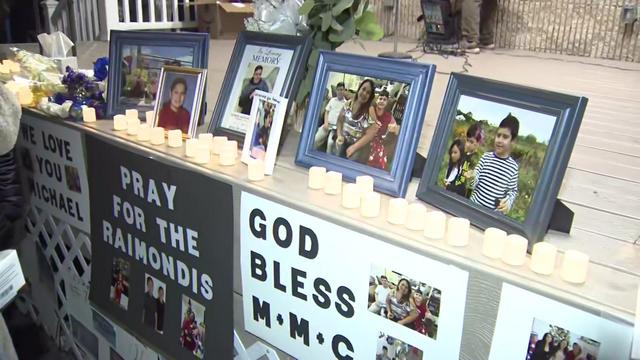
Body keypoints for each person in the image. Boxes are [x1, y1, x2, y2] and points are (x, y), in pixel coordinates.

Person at [469, 113, 519, 214]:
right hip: (473, 207)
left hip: (491, 216)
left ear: (512, 141)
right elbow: (474, 183)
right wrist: (472, 177)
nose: (499, 140)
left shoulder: (513, 167)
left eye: (505, 137)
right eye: (498, 135)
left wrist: (508, 203)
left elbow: (512, 191)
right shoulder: (486, 157)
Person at [335, 79, 379, 163]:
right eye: (363, 89)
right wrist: (339, 135)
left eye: (368, 93)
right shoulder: (348, 104)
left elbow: (371, 134)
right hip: (343, 140)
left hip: (357, 145)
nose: (364, 93)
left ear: (370, 97)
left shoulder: (370, 111)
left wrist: (354, 147)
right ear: (359, 89)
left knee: (351, 159)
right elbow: (339, 121)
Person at [367, 90, 398, 170]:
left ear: (387, 102)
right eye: (380, 99)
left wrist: (393, 128)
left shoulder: (389, 116)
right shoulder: (370, 110)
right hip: (367, 137)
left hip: (380, 141)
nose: (382, 101)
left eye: (384, 100)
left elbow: (395, 128)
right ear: (377, 100)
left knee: (380, 156)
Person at [314, 82, 347, 154]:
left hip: (336, 129)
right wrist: (325, 123)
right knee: (316, 139)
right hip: (327, 124)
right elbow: (326, 112)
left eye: (341, 90)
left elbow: (344, 119)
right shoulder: (332, 100)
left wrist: (339, 131)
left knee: (330, 143)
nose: (340, 92)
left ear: (344, 90)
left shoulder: (346, 104)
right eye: (338, 90)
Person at [461, 122, 485, 197]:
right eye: (467, 140)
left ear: (478, 143)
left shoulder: (475, 159)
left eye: (471, 142)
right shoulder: (465, 154)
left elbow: (472, 182)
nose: (467, 144)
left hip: (464, 193)